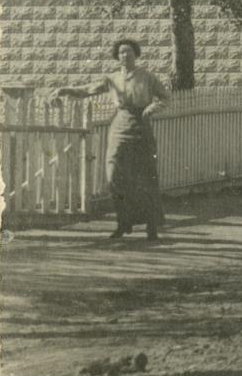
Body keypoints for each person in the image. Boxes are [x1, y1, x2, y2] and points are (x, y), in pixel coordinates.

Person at [57, 40, 169, 240]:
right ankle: (123, 223)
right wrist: (66, 90)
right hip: (119, 127)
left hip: (141, 129)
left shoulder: (147, 77)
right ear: (117, 56)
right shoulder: (112, 79)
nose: (125, 56)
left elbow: (165, 97)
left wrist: (150, 109)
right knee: (115, 176)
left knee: (145, 177)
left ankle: (151, 227)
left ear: (136, 54)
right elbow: (88, 89)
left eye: (129, 52)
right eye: (121, 52)